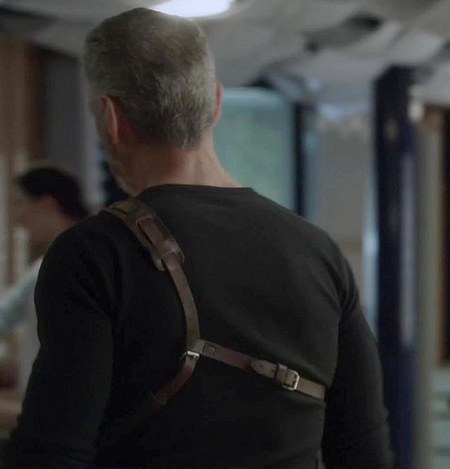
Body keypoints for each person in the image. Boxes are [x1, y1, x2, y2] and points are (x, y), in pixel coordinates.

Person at [4, 8, 392, 468]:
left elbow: (53, 452)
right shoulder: (318, 252)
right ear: (217, 103)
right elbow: (364, 453)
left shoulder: (94, 253)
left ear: (110, 116)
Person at [0, 167, 89, 428]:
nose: (18, 219)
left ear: (47, 203)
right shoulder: (52, 262)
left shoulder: (66, 261)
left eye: (21, 204)